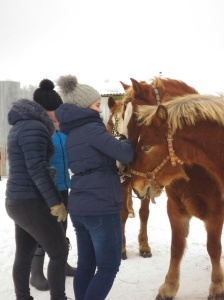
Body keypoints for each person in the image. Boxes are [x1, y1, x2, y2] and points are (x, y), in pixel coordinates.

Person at [55, 75, 135, 300]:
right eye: (97, 105)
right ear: (84, 105)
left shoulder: (70, 133)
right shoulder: (92, 128)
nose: (100, 110)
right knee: (108, 268)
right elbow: (125, 153)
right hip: (102, 206)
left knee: (86, 266)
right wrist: (126, 139)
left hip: (80, 207)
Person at [5, 99, 70, 300]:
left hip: (17, 200)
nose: (59, 118)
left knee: (24, 254)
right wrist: (55, 202)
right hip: (32, 201)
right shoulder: (35, 127)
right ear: (45, 111)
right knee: (59, 252)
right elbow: (37, 169)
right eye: (56, 112)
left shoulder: (20, 126)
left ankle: (22, 297)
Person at [29, 79, 76, 291]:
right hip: (43, 190)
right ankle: (36, 273)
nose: (56, 115)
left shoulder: (62, 131)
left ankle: (61, 263)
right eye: (52, 111)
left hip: (63, 186)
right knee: (43, 232)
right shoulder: (38, 131)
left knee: (61, 229)